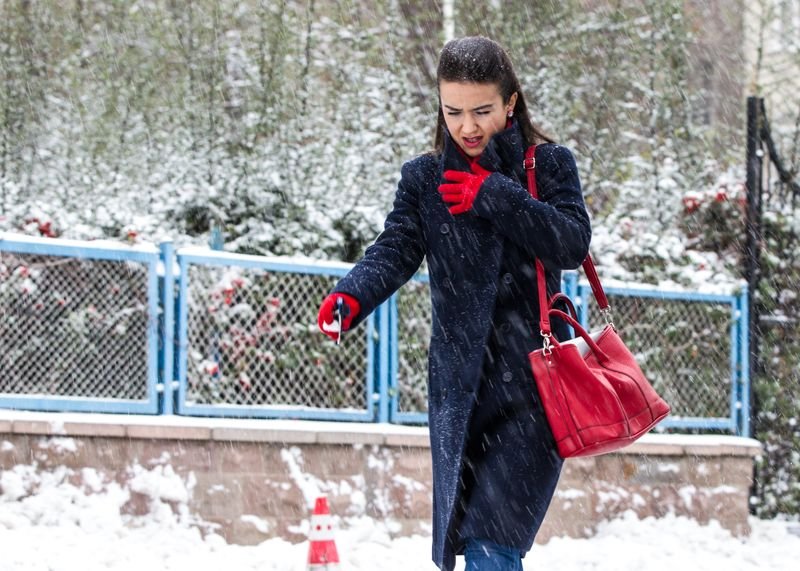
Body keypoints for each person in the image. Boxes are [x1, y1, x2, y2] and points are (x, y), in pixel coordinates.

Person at [316, 36, 591, 571]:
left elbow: (571, 244)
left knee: (492, 542)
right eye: (453, 111)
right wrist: (351, 294)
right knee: (474, 544)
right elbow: (395, 248)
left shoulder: (547, 165)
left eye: (482, 111)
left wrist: (496, 195)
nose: (467, 127)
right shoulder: (424, 178)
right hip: (462, 391)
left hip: (534, 386)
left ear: (510, 102)